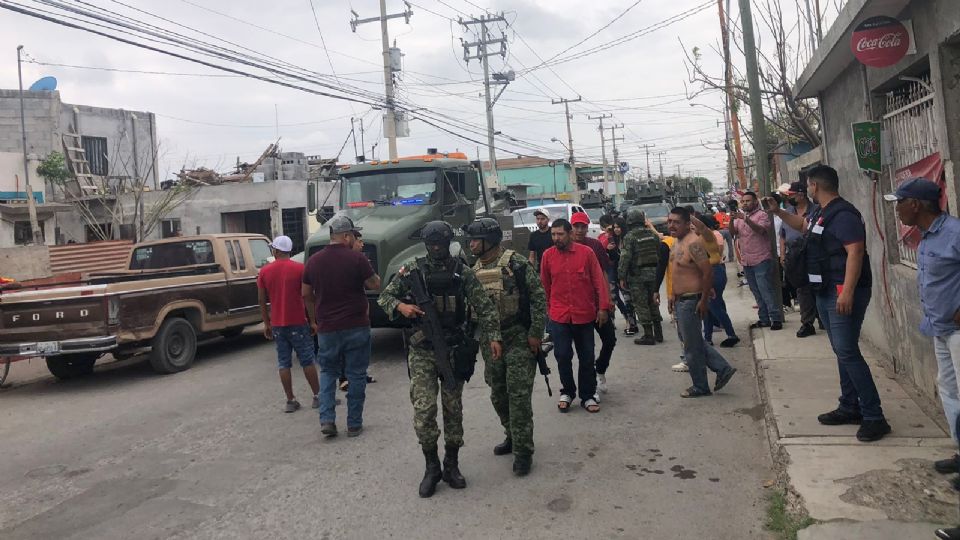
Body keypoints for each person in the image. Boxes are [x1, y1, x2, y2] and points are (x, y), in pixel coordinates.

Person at [765, 165, 890, 441]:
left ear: (814, 186)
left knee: (847, 351)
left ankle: (874, 416)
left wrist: (846, 292)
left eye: (808, 185)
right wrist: (777, 211)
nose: (807, 189)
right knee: (841, 350)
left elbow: (855, 251)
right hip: (824, 289)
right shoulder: (821, 213)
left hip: (841, 291)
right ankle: (849, 406)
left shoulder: (843, 214)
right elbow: (802, 226)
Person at [377, 221, 502, 498]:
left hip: (454, 349)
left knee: (453, 411)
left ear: (447, 244)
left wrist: (494, 336)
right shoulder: (412, 270)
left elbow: (484, 307)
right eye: (431, 244)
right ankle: (431, 466)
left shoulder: (462, 272)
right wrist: (401, 306)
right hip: (422, 351)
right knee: (424, 413)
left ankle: (451, 464)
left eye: (439, 244)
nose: (435, 249)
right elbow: (385, 297)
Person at [885, 178, 960, 469]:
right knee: (949, 389)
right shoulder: (927, 235)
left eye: (899, 203)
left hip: (957, 330)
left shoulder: (954, 232)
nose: (897, 211)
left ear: (914, 204)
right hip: (939, 328)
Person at [466, 218, 546, 477]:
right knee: (498, 393)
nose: (472, 244)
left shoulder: (515, 263)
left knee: (518, 395)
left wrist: (535, 333)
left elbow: (537, 296)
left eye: (476, 239)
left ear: (489, 241)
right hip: (490, 340)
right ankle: (512, 434)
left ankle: (524, 452)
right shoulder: (473, 269)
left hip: (518, 337)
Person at [302, 216, 381, 439]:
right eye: (353, 235)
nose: (355, 239)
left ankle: (327, 420)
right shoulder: (357, 259)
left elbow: (306, 294)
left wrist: (313, 319)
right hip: (356, 325)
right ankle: (354, 424)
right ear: (345, 236)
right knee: (356, 374)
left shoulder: (314, 262)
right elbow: (375, 284)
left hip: (327, 327)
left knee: (328, 372)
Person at [540, 218, 612, 413]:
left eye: (560, 234)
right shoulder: (548, 256)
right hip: (559, 315)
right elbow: (545, 286)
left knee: (586, 356)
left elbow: (599, 282)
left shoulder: (586, 253)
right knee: (562, 355)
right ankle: (567, 392)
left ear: (569, 233)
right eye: (553, 234)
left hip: (584, 314)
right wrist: (548, 311)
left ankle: (587, 395)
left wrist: (603, 308)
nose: (556, 238)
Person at [667, 207, 737, 398]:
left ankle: (700, 386)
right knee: (693, 341)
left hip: (691, 301)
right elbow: (678, 272)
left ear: (687, 224)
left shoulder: (694, 243)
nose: (672, 225)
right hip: (681, 300)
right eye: (670, 221)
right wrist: (672, 295)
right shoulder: (677, 242)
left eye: (676, 222)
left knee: (691, 347)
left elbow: (707, 272)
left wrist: (704, 300)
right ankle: (723, 368)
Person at [257, 235, 320, 413]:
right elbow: (308, 296)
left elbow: (262, 300)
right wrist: (313, 320)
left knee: (284, 362)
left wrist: (267, 323)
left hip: (278, 324)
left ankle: (290, 400)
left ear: (276, 251)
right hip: (298, 321)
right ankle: (317, 396)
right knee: (307, 359)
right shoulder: (300, 269)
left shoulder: (264, 272)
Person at [570, 212, 617, 395]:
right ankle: (589, 387)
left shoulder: (595, 245)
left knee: (610, 340)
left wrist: (608, 299)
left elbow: (604, 274)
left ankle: (601, 370)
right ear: (571, 227)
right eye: (576, 226)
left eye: (583, 226)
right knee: (586, 349)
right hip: (580, 306)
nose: (580, 230)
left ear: (587, 227)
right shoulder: (566, 247)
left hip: (599, 304)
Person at [731, 191, 783, 330]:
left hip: (761, 259)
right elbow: (732, 233)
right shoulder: (739, 217)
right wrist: (731, 218)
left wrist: (746, 219)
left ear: (755, 202)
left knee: (766, 290)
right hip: (747, 261)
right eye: (743, 201)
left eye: (748, 201)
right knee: (756, 292)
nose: (745, 203)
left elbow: (760, 230)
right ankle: (764, 319)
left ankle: (776, 319)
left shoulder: (762, 215)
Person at [692, 215, 739, 348]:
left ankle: (731, 334)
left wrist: (688, 215)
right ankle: (707, 338)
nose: (692, 227)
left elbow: (701, 227)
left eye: (694, 225)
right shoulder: (698, 238)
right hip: (708, 273)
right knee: (707, 307)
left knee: (714, 306)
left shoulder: (708, 235)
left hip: (713, 272)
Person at [619, 207, 664, 346]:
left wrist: (621, 276)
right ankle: (659, 333)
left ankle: (648, 335)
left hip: (637, 276)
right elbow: (659, 253)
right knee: (653, 302)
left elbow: (625, 257)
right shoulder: (653, 234)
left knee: (641, 304)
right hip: (653, 274)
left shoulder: (629, 237)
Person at [339, 231, 376, 392]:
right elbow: (375, 283)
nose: (362, 244)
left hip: (359, 311)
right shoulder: (348, 261)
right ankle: (344, 377)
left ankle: (361, 374)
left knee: (361, 347)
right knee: (346, 346)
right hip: (346, 313)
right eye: (359, 241)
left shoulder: (360, 261)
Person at [783, 182, 820, 337]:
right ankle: (807, 323)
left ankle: (822, 317)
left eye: (792, 194)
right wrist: (782, 255)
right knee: (802, 288)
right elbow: (782, 235)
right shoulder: (788, 212)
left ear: (801, 194)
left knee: (818, 286)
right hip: (795, 256)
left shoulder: (816, 211)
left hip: (813, 253)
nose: (789, 197)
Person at [610, 218, 639, 336]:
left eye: (618, 227)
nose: (616, 229)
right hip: (619, 274)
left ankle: (633, 324)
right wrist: (610, 250)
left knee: (629, 300)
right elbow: (614, 259)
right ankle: (632, 324)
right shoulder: (614, 240)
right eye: (614, 227)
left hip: (630, 274)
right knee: (626, 299)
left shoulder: (628, 239)